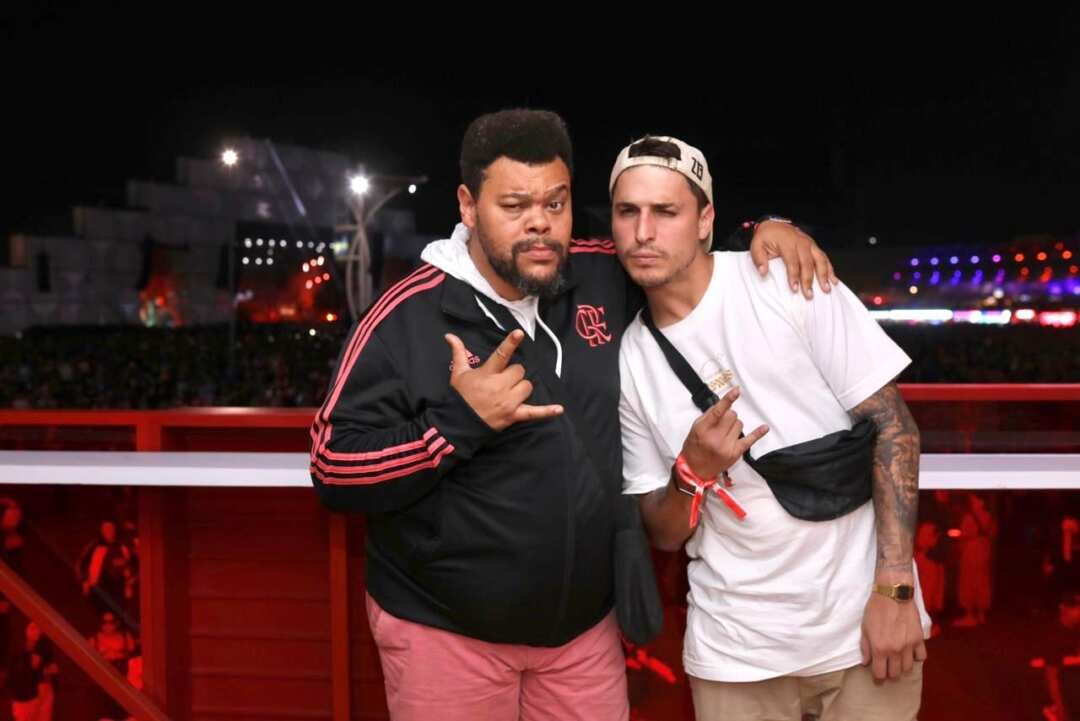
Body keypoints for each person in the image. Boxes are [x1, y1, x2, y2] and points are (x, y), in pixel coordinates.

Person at [309, 109, 833, 721]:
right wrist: (456, 423)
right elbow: (332, 466)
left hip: (583, 636)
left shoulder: (599, 273)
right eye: (514, 206)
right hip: (445, 632)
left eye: (555, 204)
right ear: (468, 206)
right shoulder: (408, 314)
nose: (539, 223)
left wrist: (767, 227)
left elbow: (676, 244)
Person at [613, 135, 930, 720]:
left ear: (705, 220)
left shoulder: (785, 281)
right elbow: (663, 533)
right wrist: (692, 474)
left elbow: (896, 430)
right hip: (734, 651)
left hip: (863, 631)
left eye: (666, 211)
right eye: (627, 211)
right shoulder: (631, 356)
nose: (643, 232)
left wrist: (894, 591)